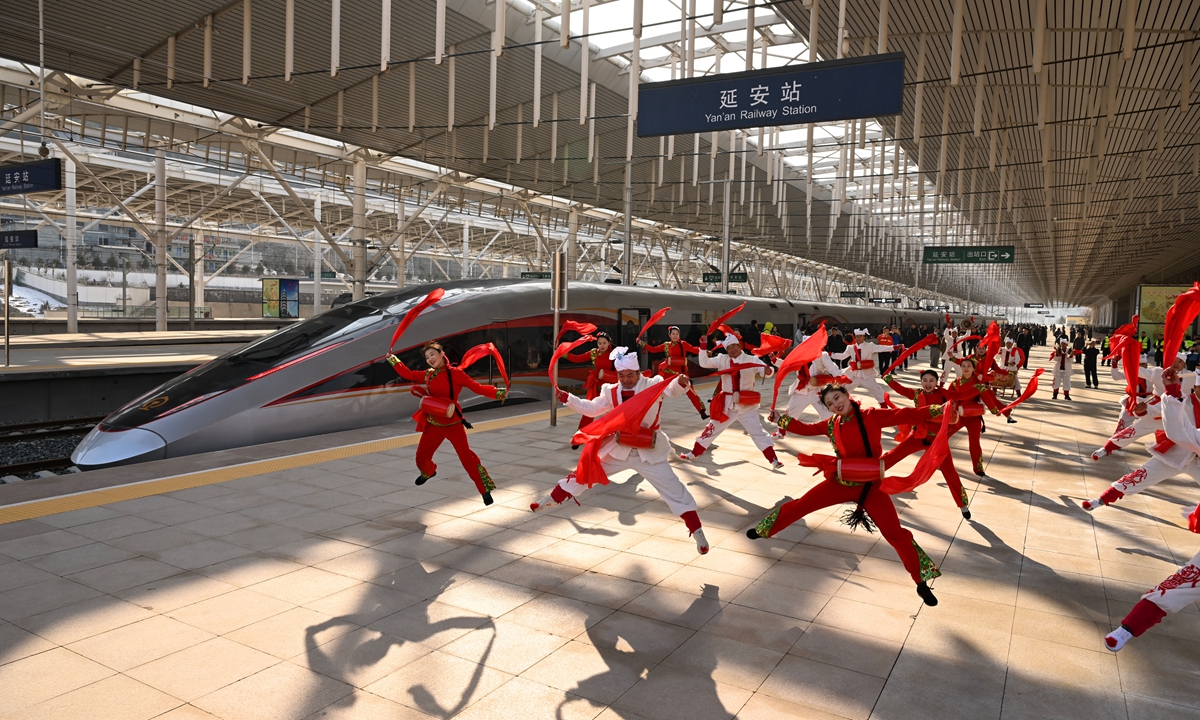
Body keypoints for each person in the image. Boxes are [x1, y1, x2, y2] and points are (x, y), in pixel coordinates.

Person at [749, 384, 947, 606]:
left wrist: (936, 410)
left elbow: (903, 414)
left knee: (895, 534)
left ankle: (921, 582)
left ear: (847, 395)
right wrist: (781, 419)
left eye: (837, 398)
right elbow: (806, 428)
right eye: (830, 404)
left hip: (871, 489)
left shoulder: (871, 416)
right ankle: (763, 529)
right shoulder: (832, 424)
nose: (836, 405)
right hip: (840, 483)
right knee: (801, 505)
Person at [533, 347, 710, 554]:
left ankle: (697, 531)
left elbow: (671, 389)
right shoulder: (610, 390)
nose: (626, 379)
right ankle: (553, 498)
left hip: (649, 451)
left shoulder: (652, 384)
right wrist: (566, 397)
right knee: (585, 472)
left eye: (630, 375)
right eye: (621, 375)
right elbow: (592, 408)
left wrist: (680, 383)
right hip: (620, 447)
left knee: (675, 490)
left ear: (638, 372)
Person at [386, 342, 508, 505]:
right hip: (433, 423)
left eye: (432, 355)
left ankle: (484, 490)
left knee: (467, 459)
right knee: (421, 457)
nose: (430, 359)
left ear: (442, 354)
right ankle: (429, 471)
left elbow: (476, 388)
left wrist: (499, 393)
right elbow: (408, 374)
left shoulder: (456, 373)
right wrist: (393, 359)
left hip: (453, 424)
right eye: (427, 357)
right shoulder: (428, 374)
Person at [1084, 365, 1200, 511]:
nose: (1177, 363)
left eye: (1180, 361)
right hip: (1174, 453)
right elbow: (1161, 411)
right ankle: (1101, 499)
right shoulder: (1181, 399)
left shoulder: (1187, 376)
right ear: (1195, 387)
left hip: (1197, 460)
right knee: (1140, 476)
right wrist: (1146, 410)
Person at [679, 333, 783, 468]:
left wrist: (768, 370)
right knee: (712, 429)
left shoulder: (752, 359)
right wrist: (703, 346)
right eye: (729, 348)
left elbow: (766, 373)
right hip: (727, 406)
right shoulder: (722, 359)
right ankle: (695, 452)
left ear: (739, 346)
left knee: (758, 433)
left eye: (734, 346)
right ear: (726, 350)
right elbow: (704, 363)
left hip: (747, 406)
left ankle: (773, 460)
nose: (732, 350)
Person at [884, 369, 972, 518]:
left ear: (936, 382)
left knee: (949, 472)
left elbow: (961, 395)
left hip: (937, 441)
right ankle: (869, 473)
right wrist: (889, 380)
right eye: (925, 380)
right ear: (921, 382)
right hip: (919, 435)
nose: (928, 383)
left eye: (931, 380)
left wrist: (979, 386)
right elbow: (903, 391)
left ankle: (962, 505)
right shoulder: (918, 394)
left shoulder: (943, 394)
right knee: (894, 455)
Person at [641, 325, 708, 420]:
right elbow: (653, 349)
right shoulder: (666, 345)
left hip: (681, 374)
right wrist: (641, 343)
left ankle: (702, 412)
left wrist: (705, 351)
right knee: (660, 394)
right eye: (673, 334)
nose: (675, 336)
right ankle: (655, 415)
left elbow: (694, 349)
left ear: (679, 335)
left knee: (691, 392)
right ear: (669, 335)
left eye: (677, 334)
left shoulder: (683, 344)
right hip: (667, 373)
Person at [566, 331, 616, 437]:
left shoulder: (615, 354)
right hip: (596, 385)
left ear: (609, 343)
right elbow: (577, 358)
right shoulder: (594, 353)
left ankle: (616, 430)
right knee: (589, 408)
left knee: (615, 409)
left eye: (604, 343)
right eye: (599, 343)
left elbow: (620, 371)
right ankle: (582, 432)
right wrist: (564, 354)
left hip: (610, 386)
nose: (602, 346)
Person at [772, 350, 842, 425]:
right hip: (801, 391)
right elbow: (787, 365)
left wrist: (840, 378)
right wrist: (774, 360)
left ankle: (835, 432)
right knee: (790, 413)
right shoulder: (798, 356)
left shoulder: (821, 355)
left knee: (828, 414)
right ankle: (781, 432)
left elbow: (833, 368)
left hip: (817, 391)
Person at [831, 328, 888, 404]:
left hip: (867, 375)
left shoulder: (869, 346)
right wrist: (830, 354)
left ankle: (884, 407)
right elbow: (842, 356)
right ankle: (845, 408)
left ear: (864, 337)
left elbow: (881, 348)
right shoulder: (851, 347)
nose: (858, 338)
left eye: (860, 336)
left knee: (877, 390)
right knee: (845, 390)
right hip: (854, 375)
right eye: (857, 336)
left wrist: (894, 347)